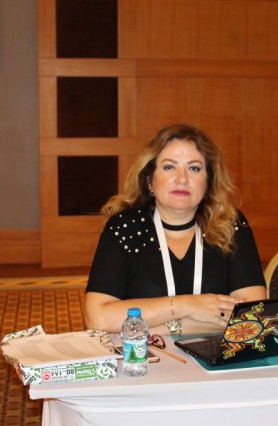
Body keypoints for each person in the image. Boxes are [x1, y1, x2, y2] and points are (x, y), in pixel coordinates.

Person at [84, 124, 266, 335]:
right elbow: (97, 319)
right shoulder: (125, 227)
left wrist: (161, 326)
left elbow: (251, 316)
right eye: (169, 167)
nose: (182, 179)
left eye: (194, 168)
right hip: (144, 353)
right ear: (150, 180)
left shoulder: (229, 224)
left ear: (208, 182)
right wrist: (187, 305)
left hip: (216, 351)